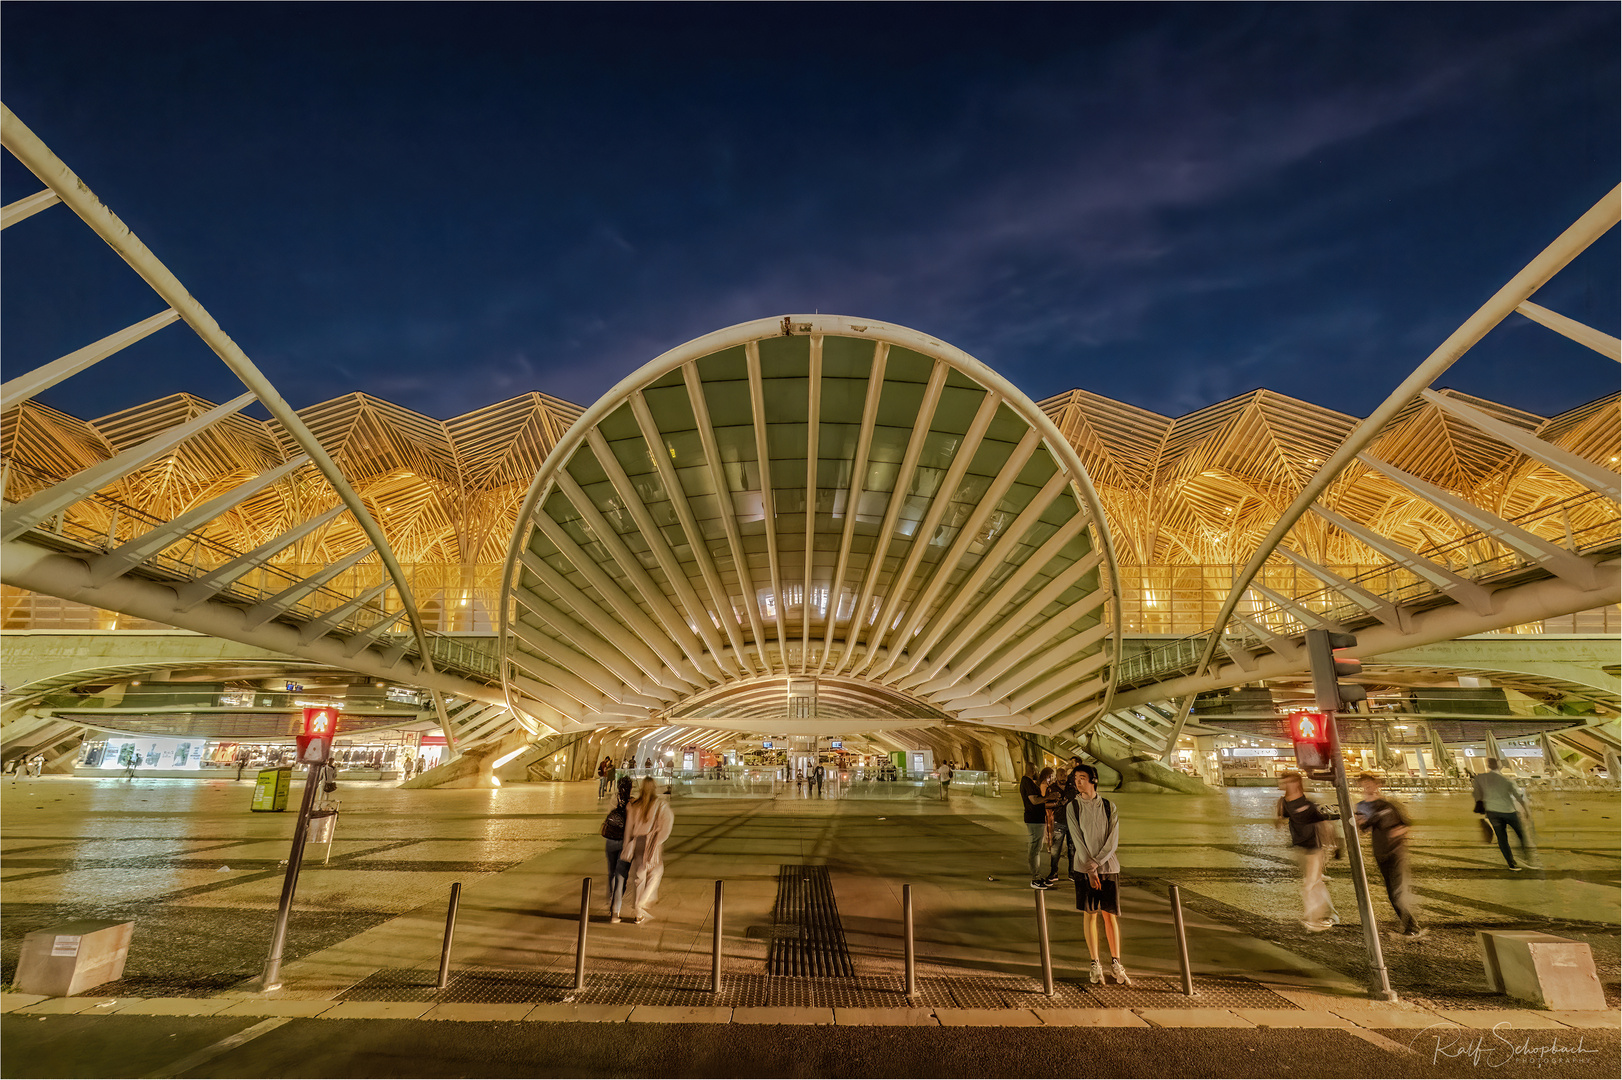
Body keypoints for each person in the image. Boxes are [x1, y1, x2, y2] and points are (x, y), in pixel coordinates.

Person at [1066, 764, 1129, 985]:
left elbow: (1113, 841)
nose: (1078, 782)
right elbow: (1077, 840)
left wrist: (1097, 864)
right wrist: (1090, 869)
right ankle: (1095, 963)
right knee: (1090, 914)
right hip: (1084, 869)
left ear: (1094, 780)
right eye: (1076, 778)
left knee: (1110, 916)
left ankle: (1116, 962)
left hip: (1109, 868)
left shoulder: (1109, 806)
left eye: (1082, 778)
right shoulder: (1072, 807)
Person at [1355, 774, 1424, 937]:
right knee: (1391, 892)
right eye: (1364, 784)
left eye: (1370, 784)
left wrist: (1398, 833)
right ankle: (1408, 923)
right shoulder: (1361, 806)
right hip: (1380, 852)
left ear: (1376, 785)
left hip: (1395, 852)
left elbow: (1406, 825)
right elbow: (1363, 829)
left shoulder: (1389, 805)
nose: (1367, 787)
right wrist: (1359, 823)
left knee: (1396, 891)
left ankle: (1412, 926)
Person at [1276, 772, 1341, 932]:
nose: (1284, 785)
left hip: (1314, 848)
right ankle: (1330, 916)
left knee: (1309, 885)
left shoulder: (1309, 804)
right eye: (1283, 782)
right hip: (1301, 847)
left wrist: (1336, 847)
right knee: (1315, 883)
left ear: (1296, 784)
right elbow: (1281, 819)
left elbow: (1325, 825)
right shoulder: (1284, 802)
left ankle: (1315, 919)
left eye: (1288, 782)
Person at [621, 776, 674, 923]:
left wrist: (627, 845)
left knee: (640, 875)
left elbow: (628, 828)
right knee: (656, 871)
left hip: (638, 842)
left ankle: (639, 912)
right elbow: (667, 823)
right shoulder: (659, 804)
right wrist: (659, 839)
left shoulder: (634, 806)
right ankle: (640, 904)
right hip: (651, 842)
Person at [1472, 758, 1540, 870]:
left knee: (1502, 838)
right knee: (1520, 834)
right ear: (1499, 766)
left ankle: (1511, 863)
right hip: (1508, 811)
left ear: (1488, 765)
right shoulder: (1507, 780)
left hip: (1492, 813)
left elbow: (1477, 795)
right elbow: (1519, 797)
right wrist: (1527, 811)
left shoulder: (1481, 779)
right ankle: (1527, 858)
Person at [602, 776, 634, 922]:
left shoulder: (613, 800)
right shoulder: (632, 803)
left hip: (610, 841)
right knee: (621, 876)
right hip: (624, 842)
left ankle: (612, 897)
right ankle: (615, 911)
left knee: (611, 873)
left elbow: (608, 816)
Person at [1025, 766, 1061, 888]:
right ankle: (1035, 878)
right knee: (1035, 849)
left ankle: (1037, 876)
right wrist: (1050, 798)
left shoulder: (1031, 783)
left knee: (1036, 847)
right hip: (1034, 820)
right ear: (1033, 770)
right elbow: (1035, 801)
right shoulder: (1027, 782)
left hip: (1038, 819)